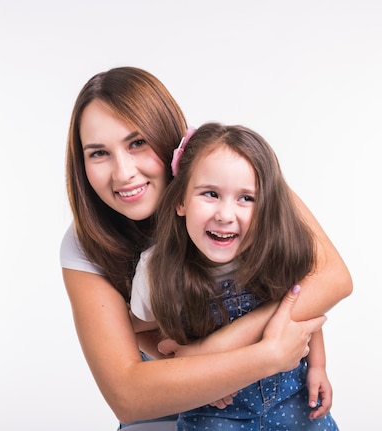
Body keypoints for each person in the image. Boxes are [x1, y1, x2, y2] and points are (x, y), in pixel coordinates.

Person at [60, 66, 352, 430]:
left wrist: (216, 349)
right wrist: (258, 356)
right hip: (169, 397)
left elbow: (328, 279)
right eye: (98, 153)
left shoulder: (229, 171)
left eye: (137, 143)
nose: (123, 173)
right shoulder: (87, 243)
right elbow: (128, 395)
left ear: (167, 137)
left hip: (276, 395)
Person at [130, 123, 338, 430]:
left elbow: (304, 315)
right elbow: (136, 329)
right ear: (181, 201)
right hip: (214, 410)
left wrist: (318, 366)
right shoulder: (157, 271)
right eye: (211, 194)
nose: (225, 215)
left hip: (291, 397)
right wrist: (192, 371)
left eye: (246, 198)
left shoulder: (276, 253)